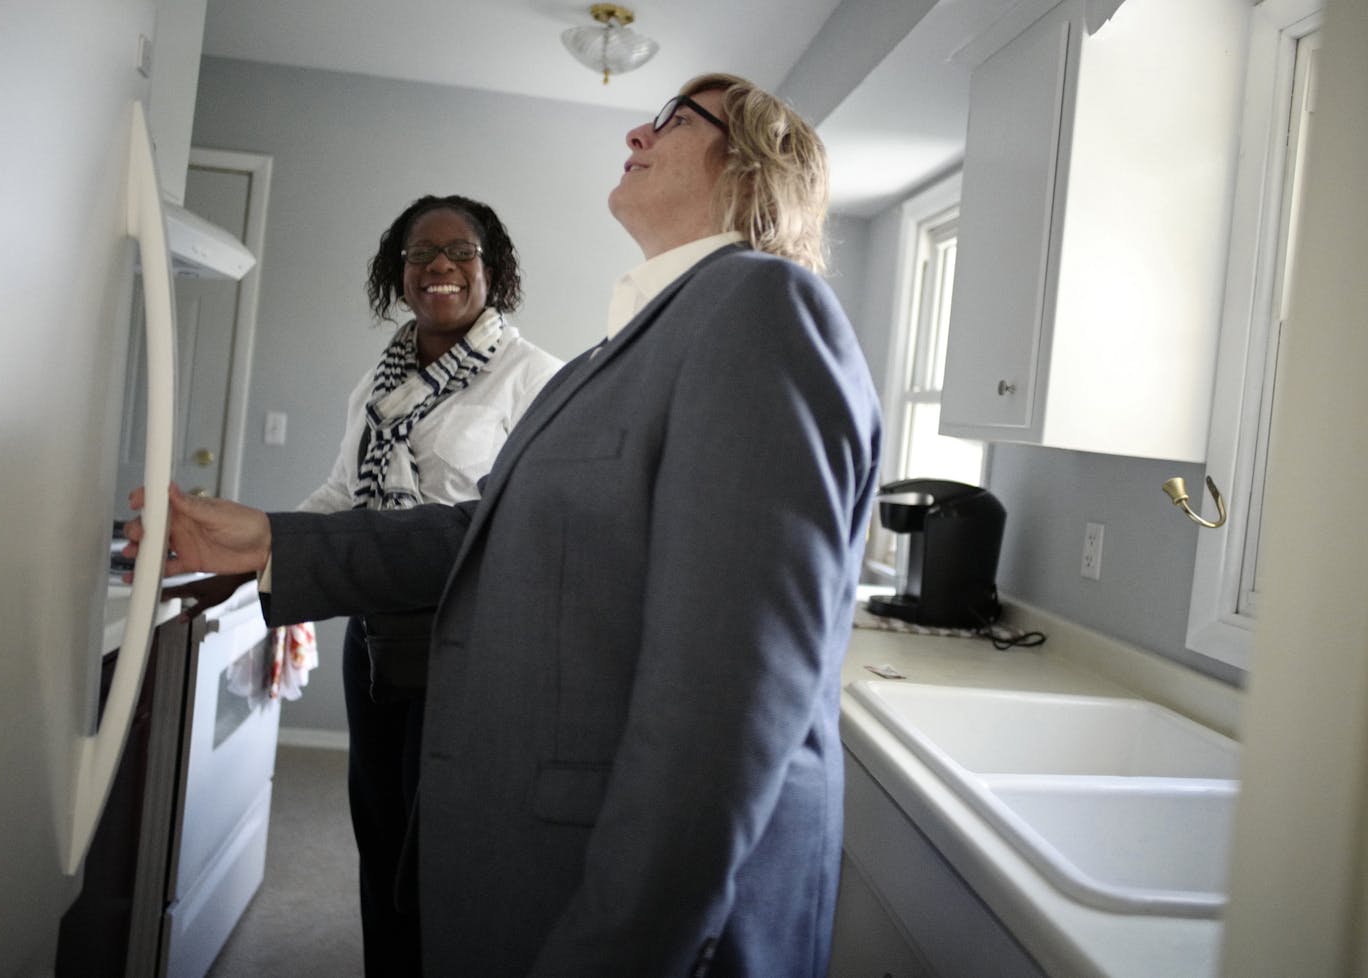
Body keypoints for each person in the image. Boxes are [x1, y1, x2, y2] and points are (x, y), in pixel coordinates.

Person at [126, 73, 881, 978]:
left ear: (753, 163)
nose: (639, 130)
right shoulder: (615, 359)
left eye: (677, 118)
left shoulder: (764, 309)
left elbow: (725, 714)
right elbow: (485, 534)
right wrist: (271, 542)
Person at [169, 194, 562, 976]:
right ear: (399, 272)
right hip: (376, 633)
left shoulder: (535, 379)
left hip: (467, 641)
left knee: (442, 838)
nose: (440, 267)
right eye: (420, 255)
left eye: (461, 253)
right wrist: (241, 546)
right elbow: (339, 498)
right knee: (379, 823)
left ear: (495, 271)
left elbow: (517, 532)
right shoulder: (377, 381)